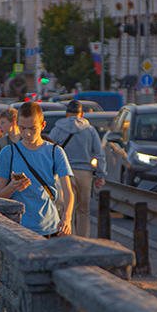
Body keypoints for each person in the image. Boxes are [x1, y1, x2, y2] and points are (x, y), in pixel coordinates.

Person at [0, 102, 74, 237]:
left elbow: (68, 191)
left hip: (49, 226)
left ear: (43, 126)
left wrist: (67, 218)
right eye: (22, 128)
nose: (27, 134)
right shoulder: (8, 153)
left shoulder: (55, 152)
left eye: (32, 128)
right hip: (17, 228)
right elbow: (0, 196)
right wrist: (13, 186)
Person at [47, 100, 106, 238]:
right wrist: (101, 175)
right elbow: (99, 154)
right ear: (82, 114)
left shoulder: (58, 128)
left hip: (64, 175)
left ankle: (69, 240)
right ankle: (83, 241)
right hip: (85, 174)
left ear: (67, 113)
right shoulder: (90, 130)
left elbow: (49, 149)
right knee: (84, 210)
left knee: (68, 210)